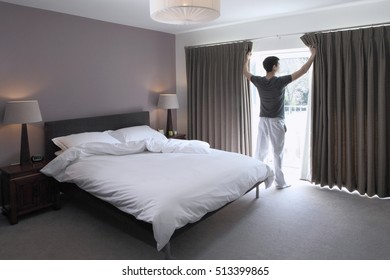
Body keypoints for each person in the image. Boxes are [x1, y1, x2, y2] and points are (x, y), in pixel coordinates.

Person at [243, 46, 316, 189]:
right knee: (277, 152)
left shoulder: (259, 81)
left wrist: (246, 59)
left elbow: (245, 72)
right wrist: (312, 55)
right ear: (274, 67)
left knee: (260, 151)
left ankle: (256, 179)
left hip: (263, 120)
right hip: (276, 121)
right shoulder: (279, 81)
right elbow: (303, 71)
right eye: (279, 65)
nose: (279, 67)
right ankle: (280, 182)